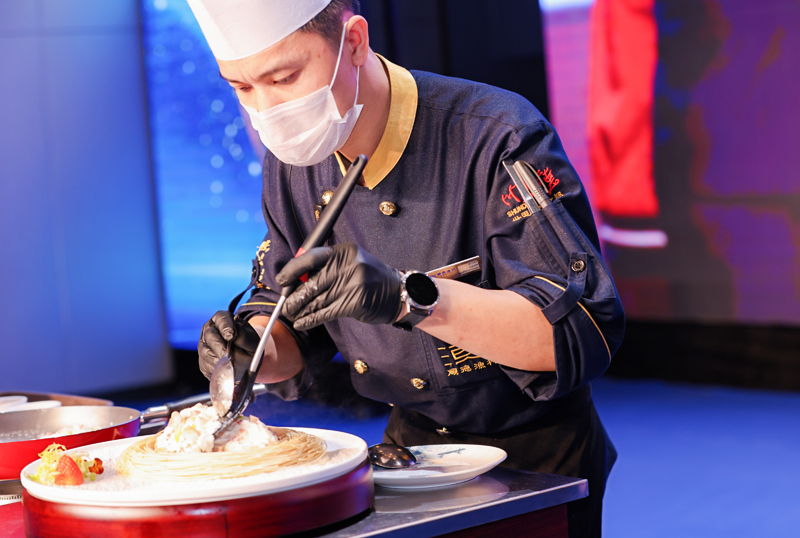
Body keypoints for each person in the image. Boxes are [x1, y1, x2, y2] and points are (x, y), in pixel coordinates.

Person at [188, 1, 624, 536]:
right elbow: (288, 313)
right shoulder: (293, 163)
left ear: (353, 42)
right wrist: (251, 349)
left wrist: (404, 298)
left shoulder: (494, 134)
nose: (267, 109)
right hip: (406, 456)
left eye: (284, 78)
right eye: (242, 87)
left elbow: (581, 330)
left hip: (537, 460)